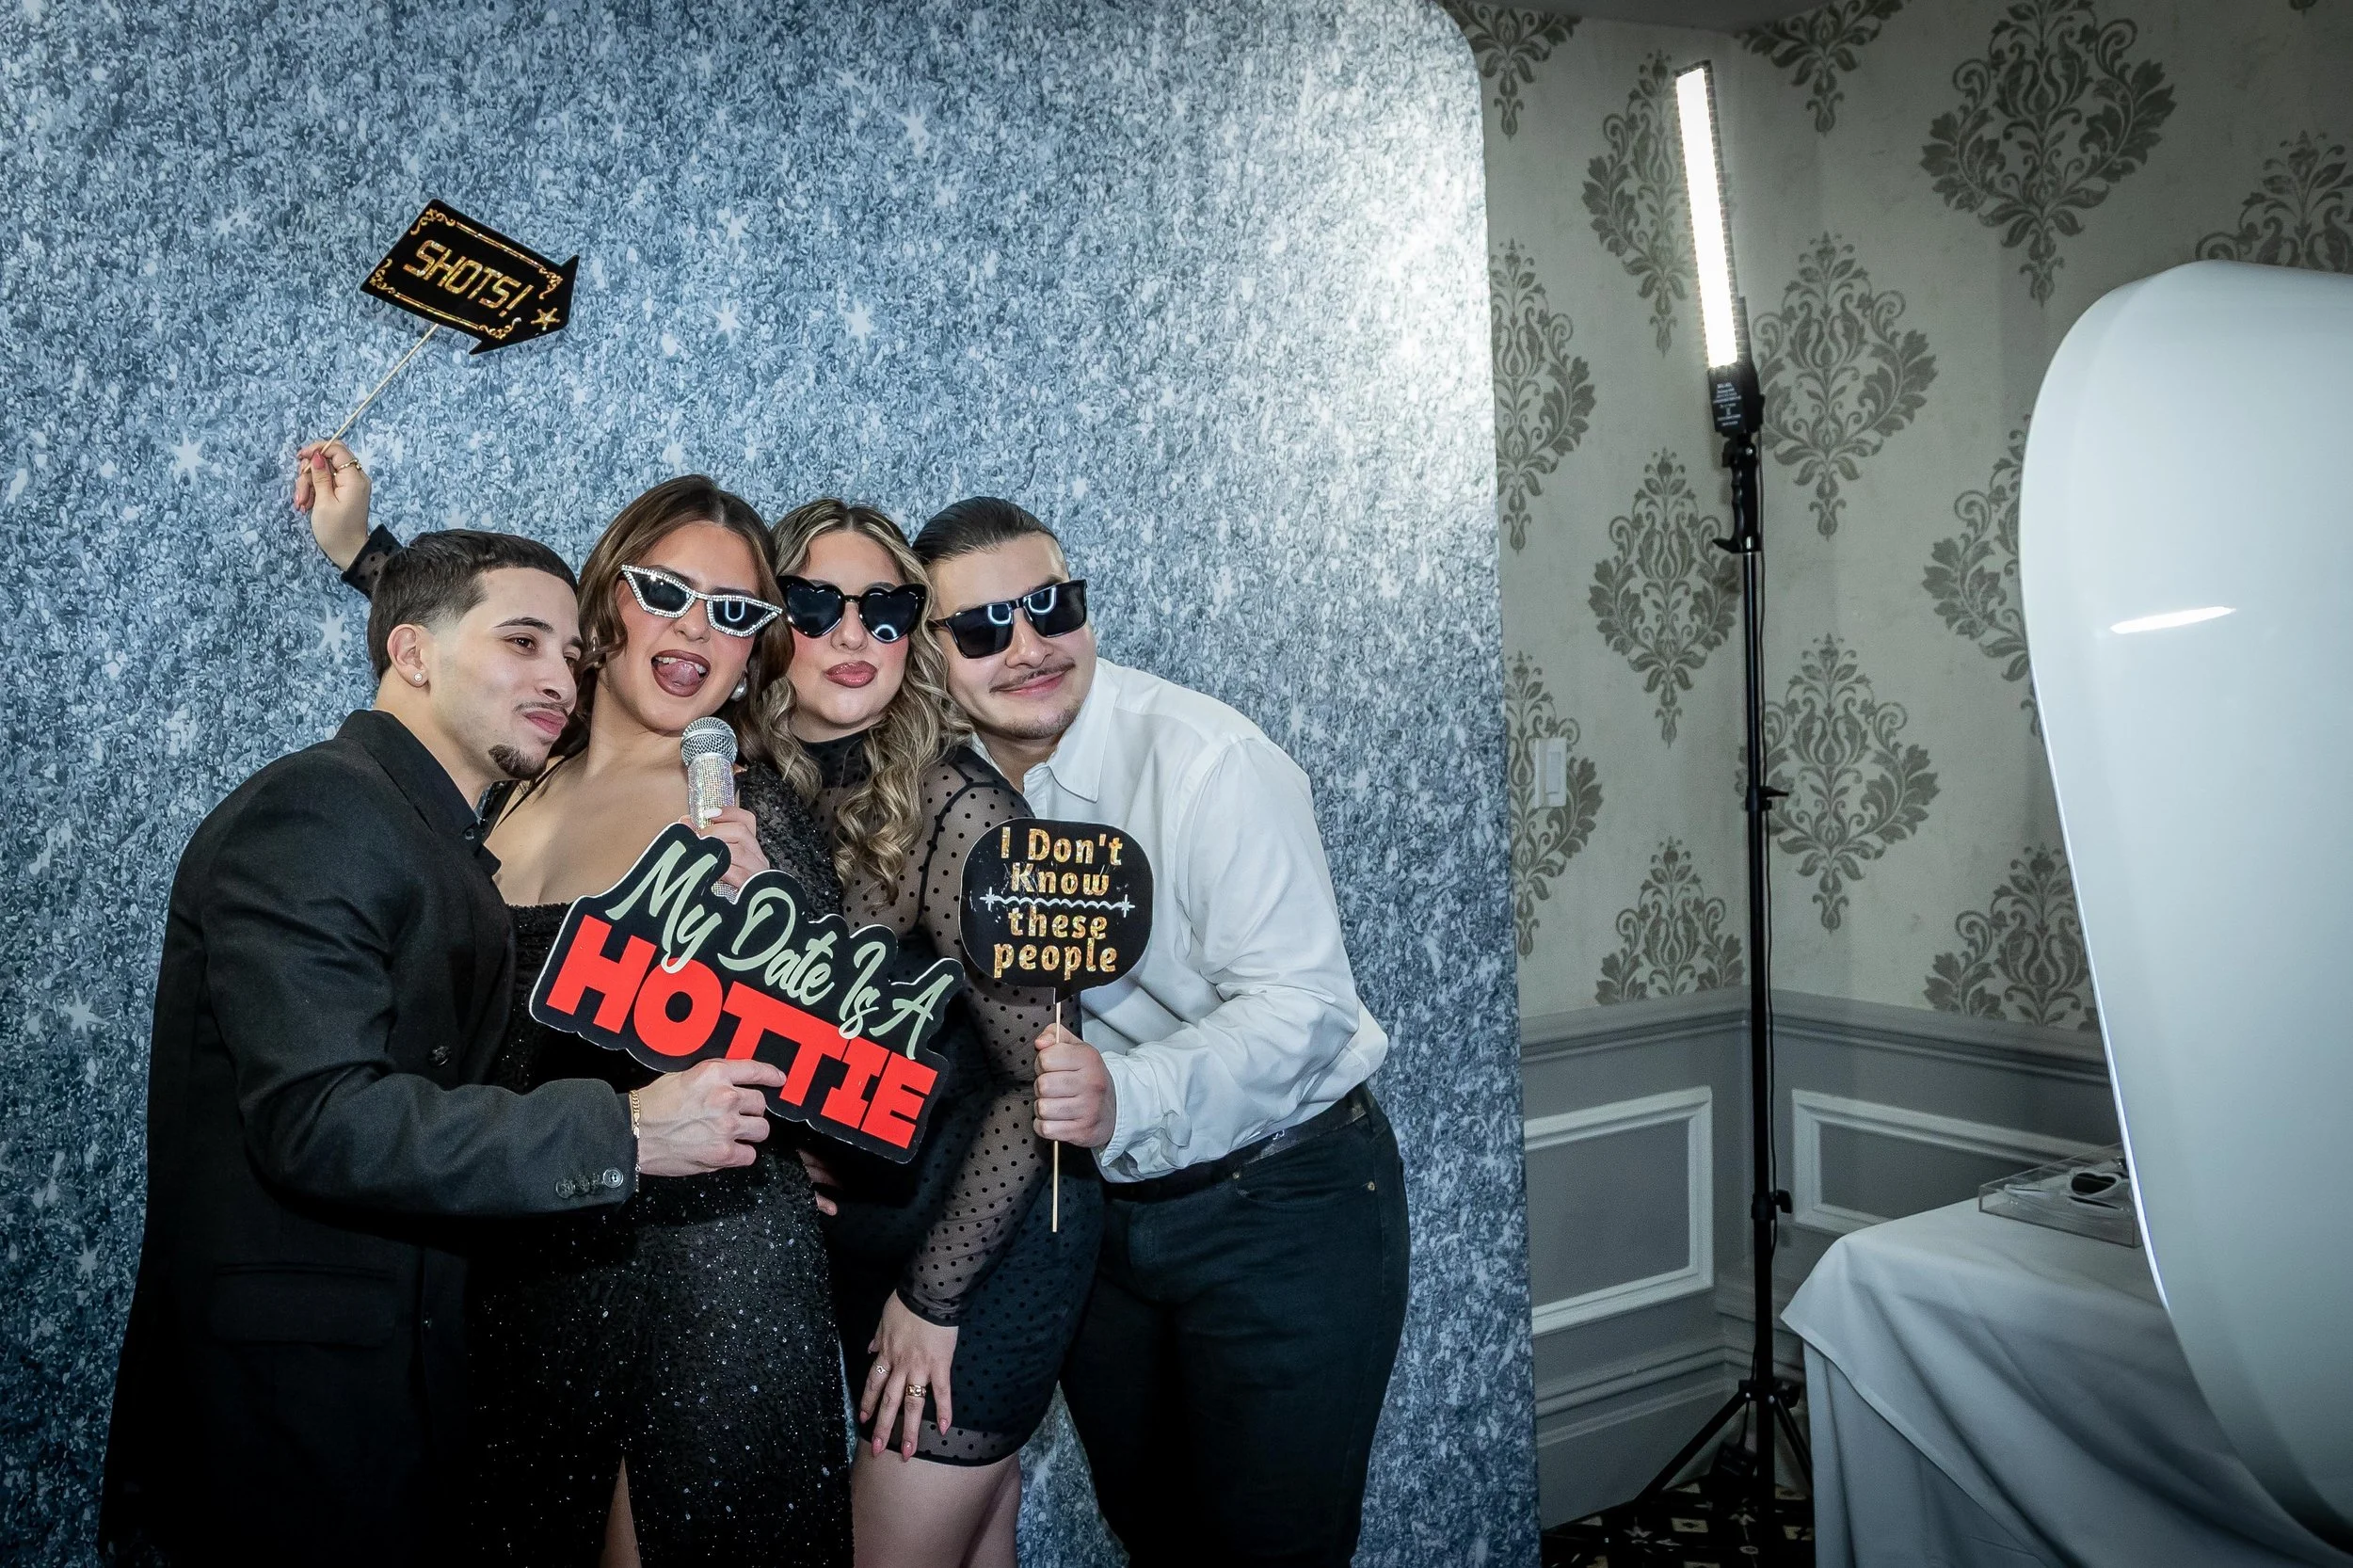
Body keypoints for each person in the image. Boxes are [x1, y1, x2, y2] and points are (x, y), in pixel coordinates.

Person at [99, 521, 788, 1567]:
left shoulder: (445, 842)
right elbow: (318, 1119)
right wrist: (627, 1132)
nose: (558, 675)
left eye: (569, 651)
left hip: (406, 1391)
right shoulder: (317, 810)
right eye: (522, 643)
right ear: (411, 654)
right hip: (289, 1412)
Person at [298, 444, 852, 1567]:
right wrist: (365, 553)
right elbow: (465, 645)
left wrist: (759, 937)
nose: (695, 630)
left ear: (755, 655)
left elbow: (833, 1071)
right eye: (666, 592)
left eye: (734, 610)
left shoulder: (748, 822)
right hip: (532, 1253)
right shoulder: (515, 774)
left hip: (706, 1271)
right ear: (607, 604)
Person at [911, 497, 1411, 1568]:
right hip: (1095, 1222)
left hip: (1280, 1204)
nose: (1030, 646)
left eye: (1052, 606)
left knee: (1270, 1548)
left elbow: (1305, 1008)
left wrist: (1126, 1098)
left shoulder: (1208, 761)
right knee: (1158, 1536)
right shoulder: (942, 785)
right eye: (985, 626)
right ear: (930, 651)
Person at [762, 499, 1101, 1568]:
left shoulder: (962, 813)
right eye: (816, 605)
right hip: (870, 1225)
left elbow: (1034, 1088)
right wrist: (375, 566)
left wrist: (932, 1297)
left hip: (988, 1240)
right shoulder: (752, 795)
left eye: (886, 608)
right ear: (767, 622)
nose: (853, 633)